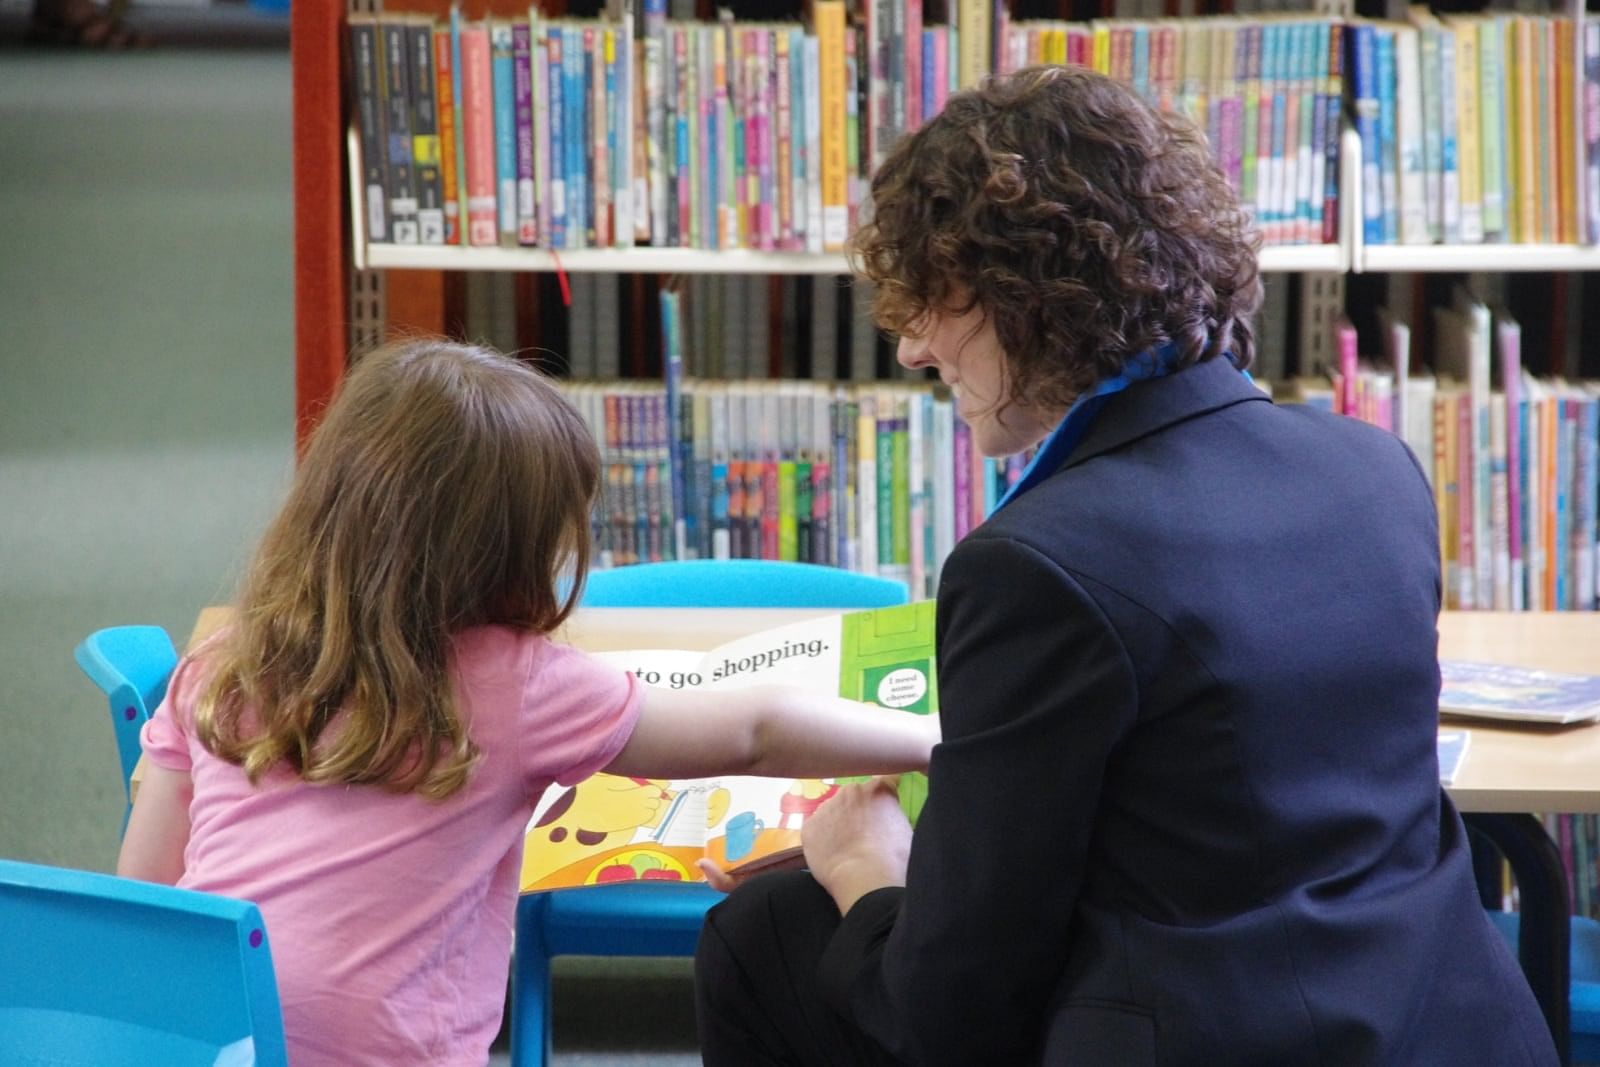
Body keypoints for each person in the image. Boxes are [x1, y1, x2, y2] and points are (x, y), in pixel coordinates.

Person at [693, 65, 1558, 1066]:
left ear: (1027, 298)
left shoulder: (1038, 563)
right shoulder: (1372, 466)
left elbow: (949, 1009)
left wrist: (868, 875)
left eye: (936, 302)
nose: (914, 350)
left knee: (764, 934)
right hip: (1441, 1017)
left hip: (1208, 1036)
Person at [116, 338, 939, 1066]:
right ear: (504, 550)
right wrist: (936, 738)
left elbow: (146, 889)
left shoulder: (221, 664)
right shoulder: (513, 684)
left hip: (209, 1036)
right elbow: (754, 732)